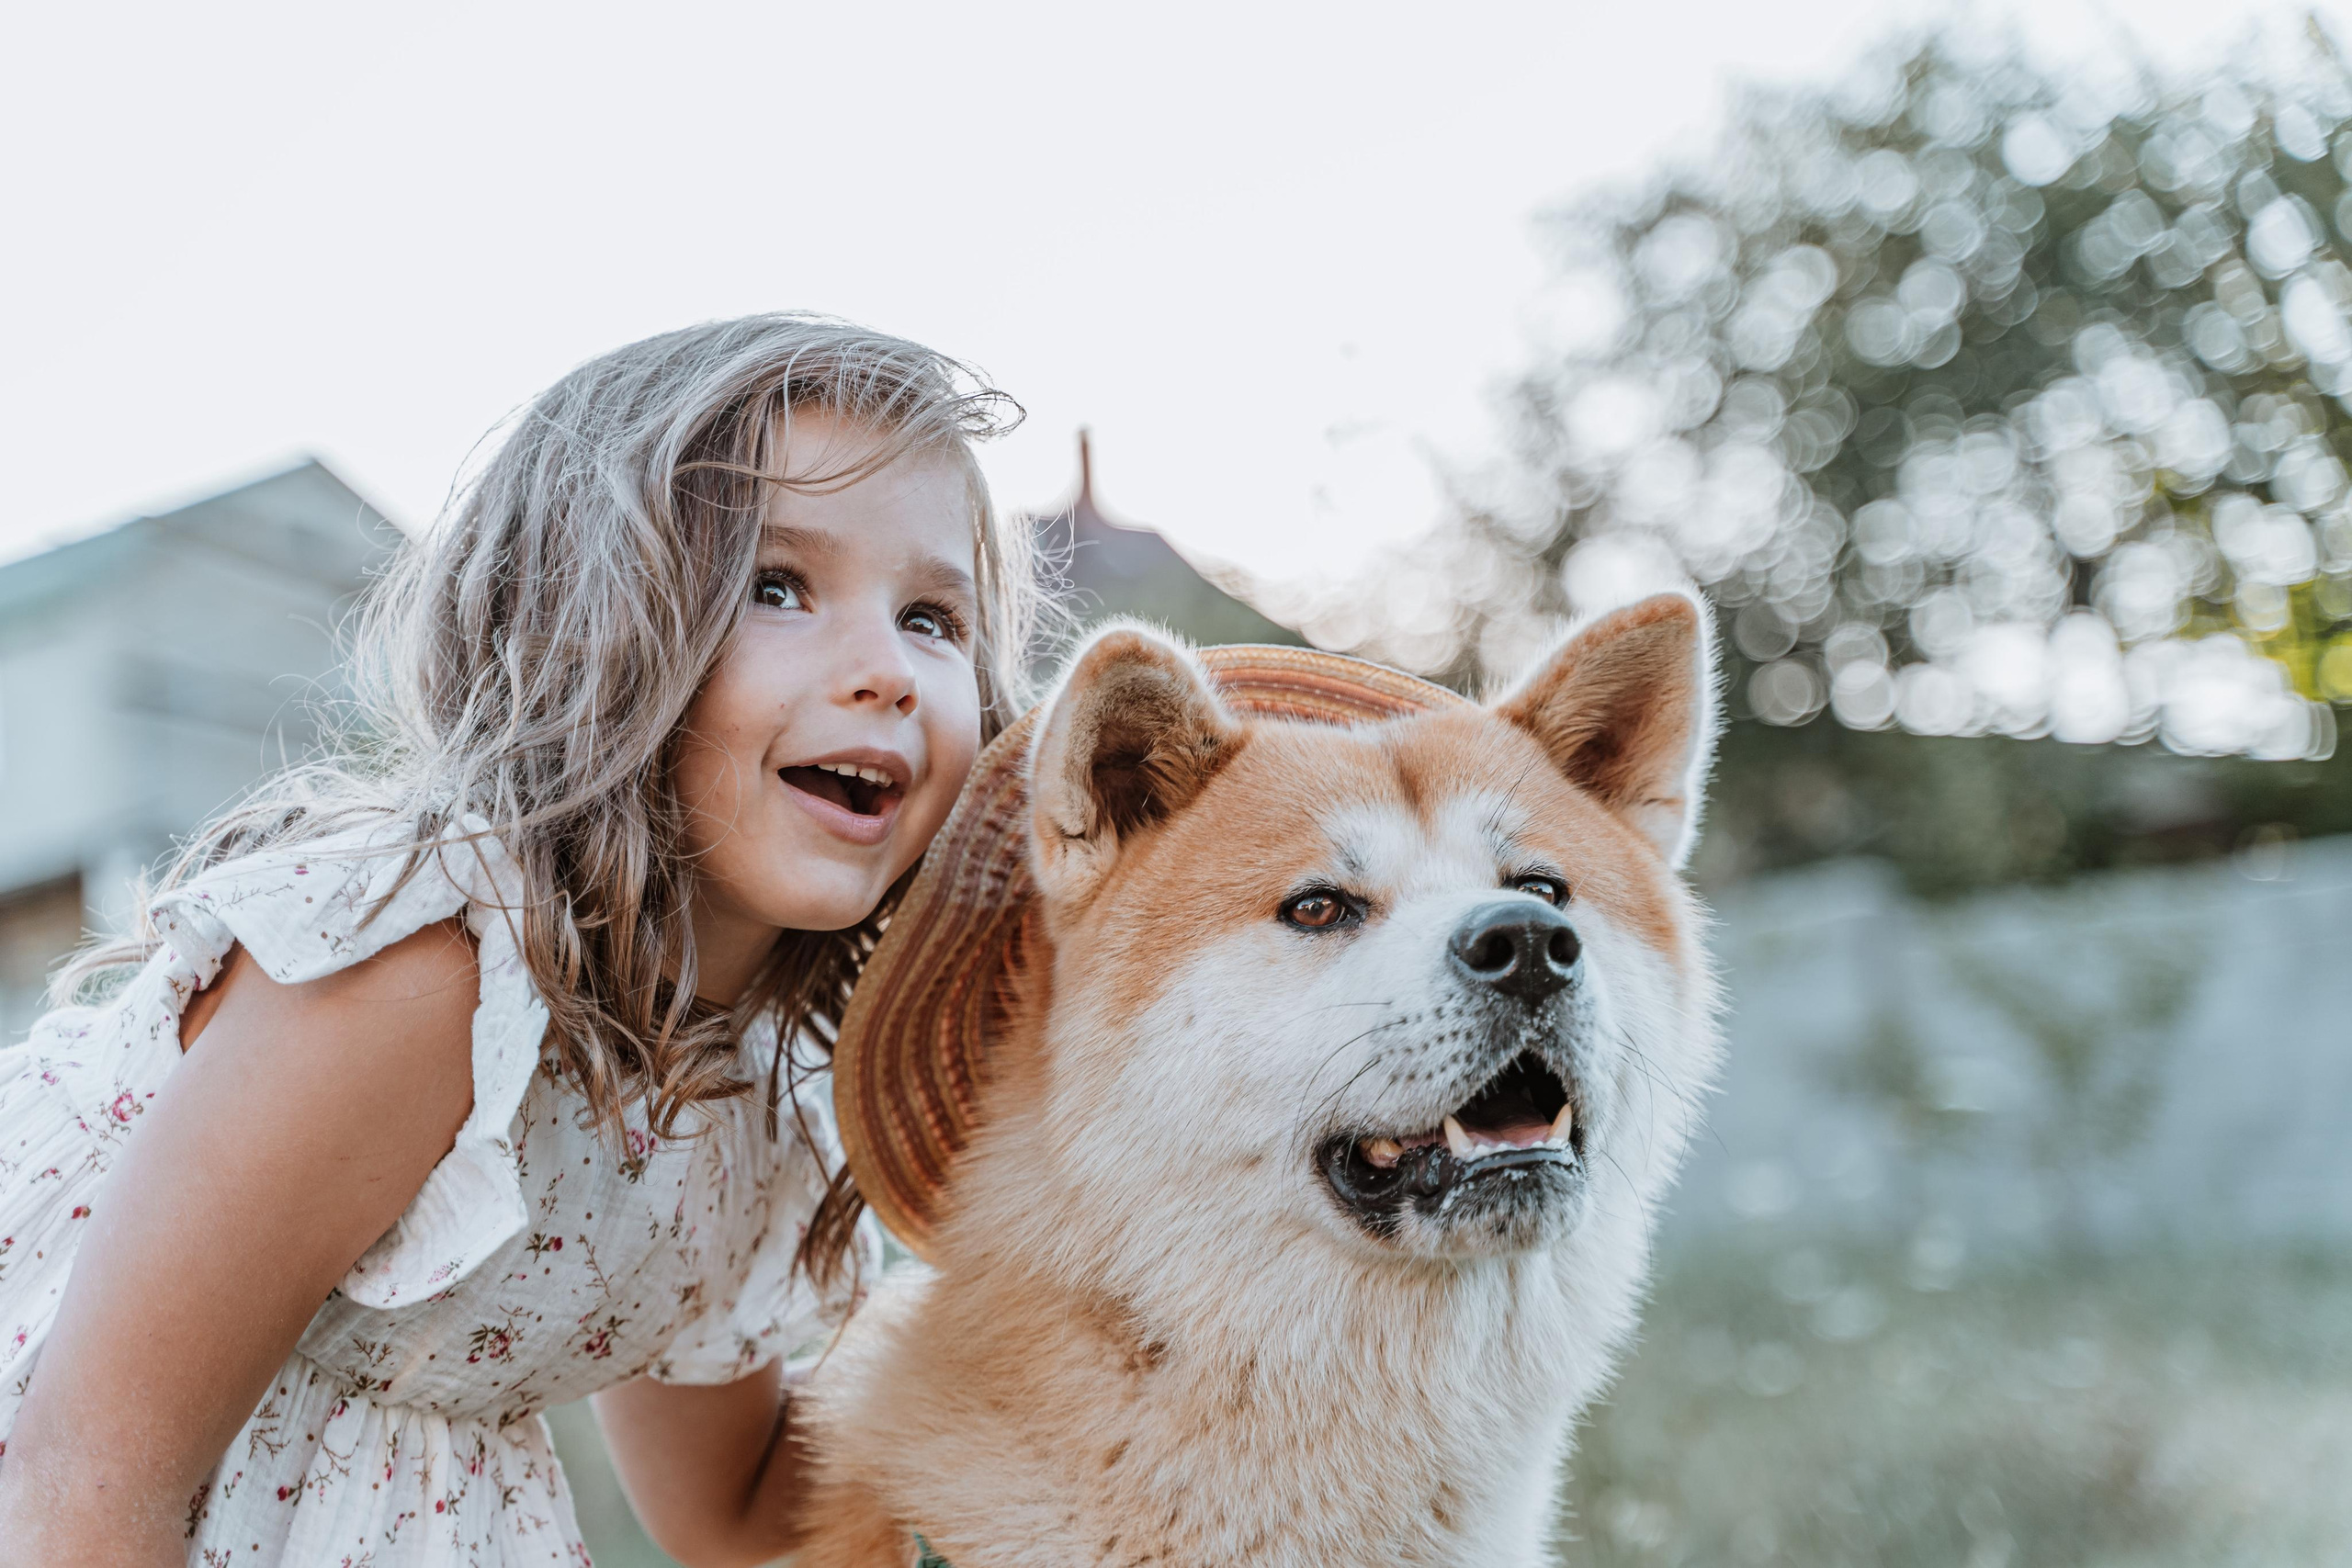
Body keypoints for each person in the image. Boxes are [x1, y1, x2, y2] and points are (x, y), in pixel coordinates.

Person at [0, 313, 1037, 1566]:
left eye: (934, 617)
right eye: (778, 587)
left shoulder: (740, 1111)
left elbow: (742, 1523)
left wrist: (1042, 1299)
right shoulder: (428, 969)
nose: (886, 669)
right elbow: (84, 1476)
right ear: (596, 633)